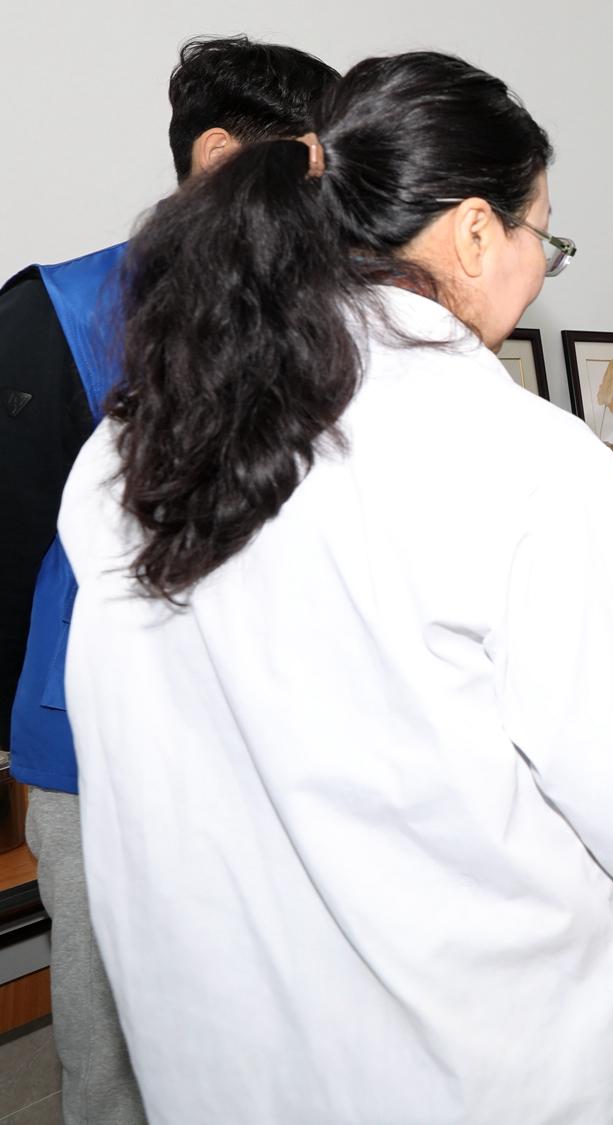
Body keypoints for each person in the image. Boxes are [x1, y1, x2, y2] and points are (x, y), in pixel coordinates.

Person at [59, 52, 613, 1124]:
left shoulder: (134, 445)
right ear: (477, 233)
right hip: (467, 1058)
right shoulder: (518, 458)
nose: (542, 269)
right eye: (547, 237)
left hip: (221, 1055)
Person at [0, 36, 340, 1125]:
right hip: (96, 758)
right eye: (310, 164)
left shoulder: (329, 315)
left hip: (280, 752)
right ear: (219, 156)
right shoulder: (56, 314)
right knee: (114, 1072)